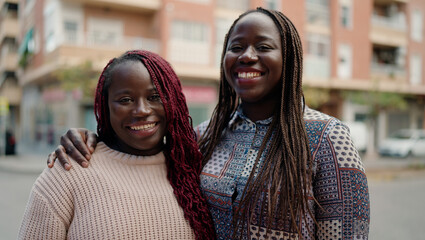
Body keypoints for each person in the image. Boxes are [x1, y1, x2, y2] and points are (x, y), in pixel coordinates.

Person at [47, 8, 370, 239]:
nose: (247, 56)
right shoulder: (205, 136)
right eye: (236, 47)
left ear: (290, 58)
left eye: (263, 46)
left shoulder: (327, 137)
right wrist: (92, 138)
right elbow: (139, 150)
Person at [19, 50, 216, 240]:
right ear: (106, 107)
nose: (141, 110)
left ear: (174, 103)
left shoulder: (192, 170)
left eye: (154, 97)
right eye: (125, 100)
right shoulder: (68, 172)